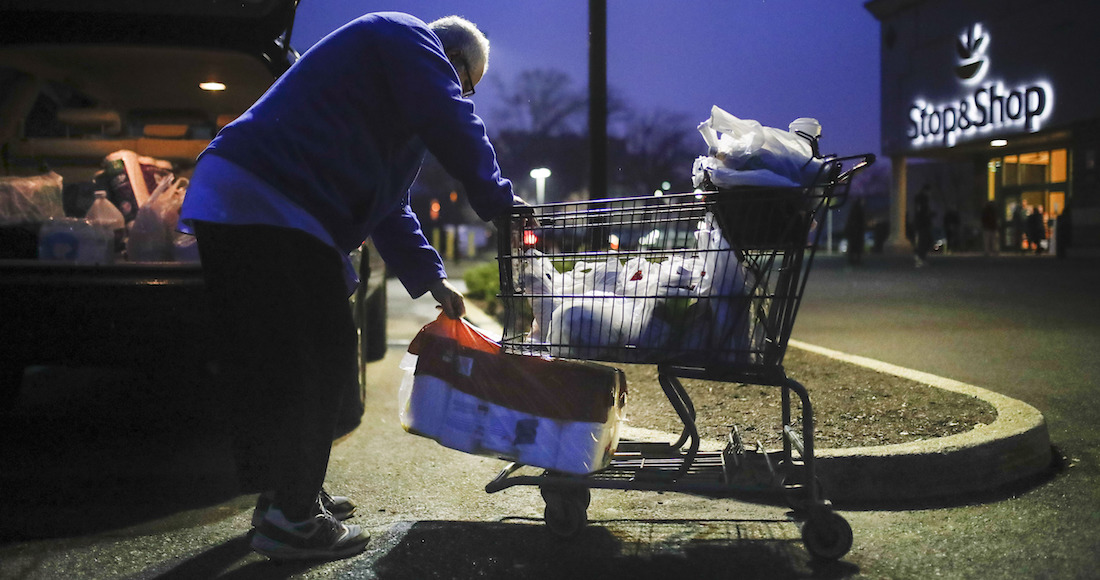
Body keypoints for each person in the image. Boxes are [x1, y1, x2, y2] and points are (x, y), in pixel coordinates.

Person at [177, 13, 522, 561]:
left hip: (252, 197)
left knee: (284, 358)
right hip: (270, 200)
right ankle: (292, 518)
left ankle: (285, 497)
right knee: (322, 355)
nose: (462, 95)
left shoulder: (384, 100)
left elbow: (390, 206)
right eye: (465, 84)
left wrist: (434, 280)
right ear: (449, 60)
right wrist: (501, 204)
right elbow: (452, 119)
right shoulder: (404, 34)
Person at [913, 186, 934, 267]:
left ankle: (920, 257)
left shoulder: (921, 199)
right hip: (922, 224)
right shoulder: (922, 199)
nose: (930, 194)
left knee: (926, 241)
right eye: (930, 192)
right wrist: (928, 215)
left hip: (922, 223)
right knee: (925, 241)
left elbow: (920, 211)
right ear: (926, 191)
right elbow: (921, 212)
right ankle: (919, 257)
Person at [844, 198, 866, 265]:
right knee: (857, 247)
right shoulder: (859, 212)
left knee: (853, 246)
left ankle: (853, 259)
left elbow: (849, 222)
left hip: (853, 232)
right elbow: (862, 222)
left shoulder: (853, 213)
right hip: (857, 232)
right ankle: (856, 259)